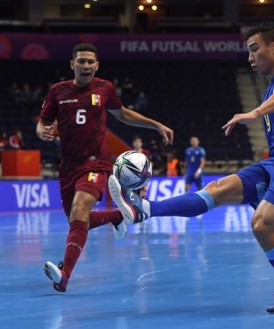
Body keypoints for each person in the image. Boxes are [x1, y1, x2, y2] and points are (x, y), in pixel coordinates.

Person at [109, 23, 274, 313]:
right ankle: (144, 210)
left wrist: (256, 112)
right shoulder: (269, 88)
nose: (250, 58)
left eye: (254, 49)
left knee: (262, 225)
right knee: (217, 189)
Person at [37, 43, 173, 293]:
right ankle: (118, 215)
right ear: (72, 64)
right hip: (67, 167)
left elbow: (123, 115)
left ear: (96, 65)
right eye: (81, 61)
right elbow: (43, 122)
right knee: (78, 221)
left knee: (79, 210)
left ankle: (65, 274)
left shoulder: (104, 88)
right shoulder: (58, 91)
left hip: (96, 163)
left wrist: (156, 125)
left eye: (90, 62)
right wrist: (42, 131)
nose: (86, 65)